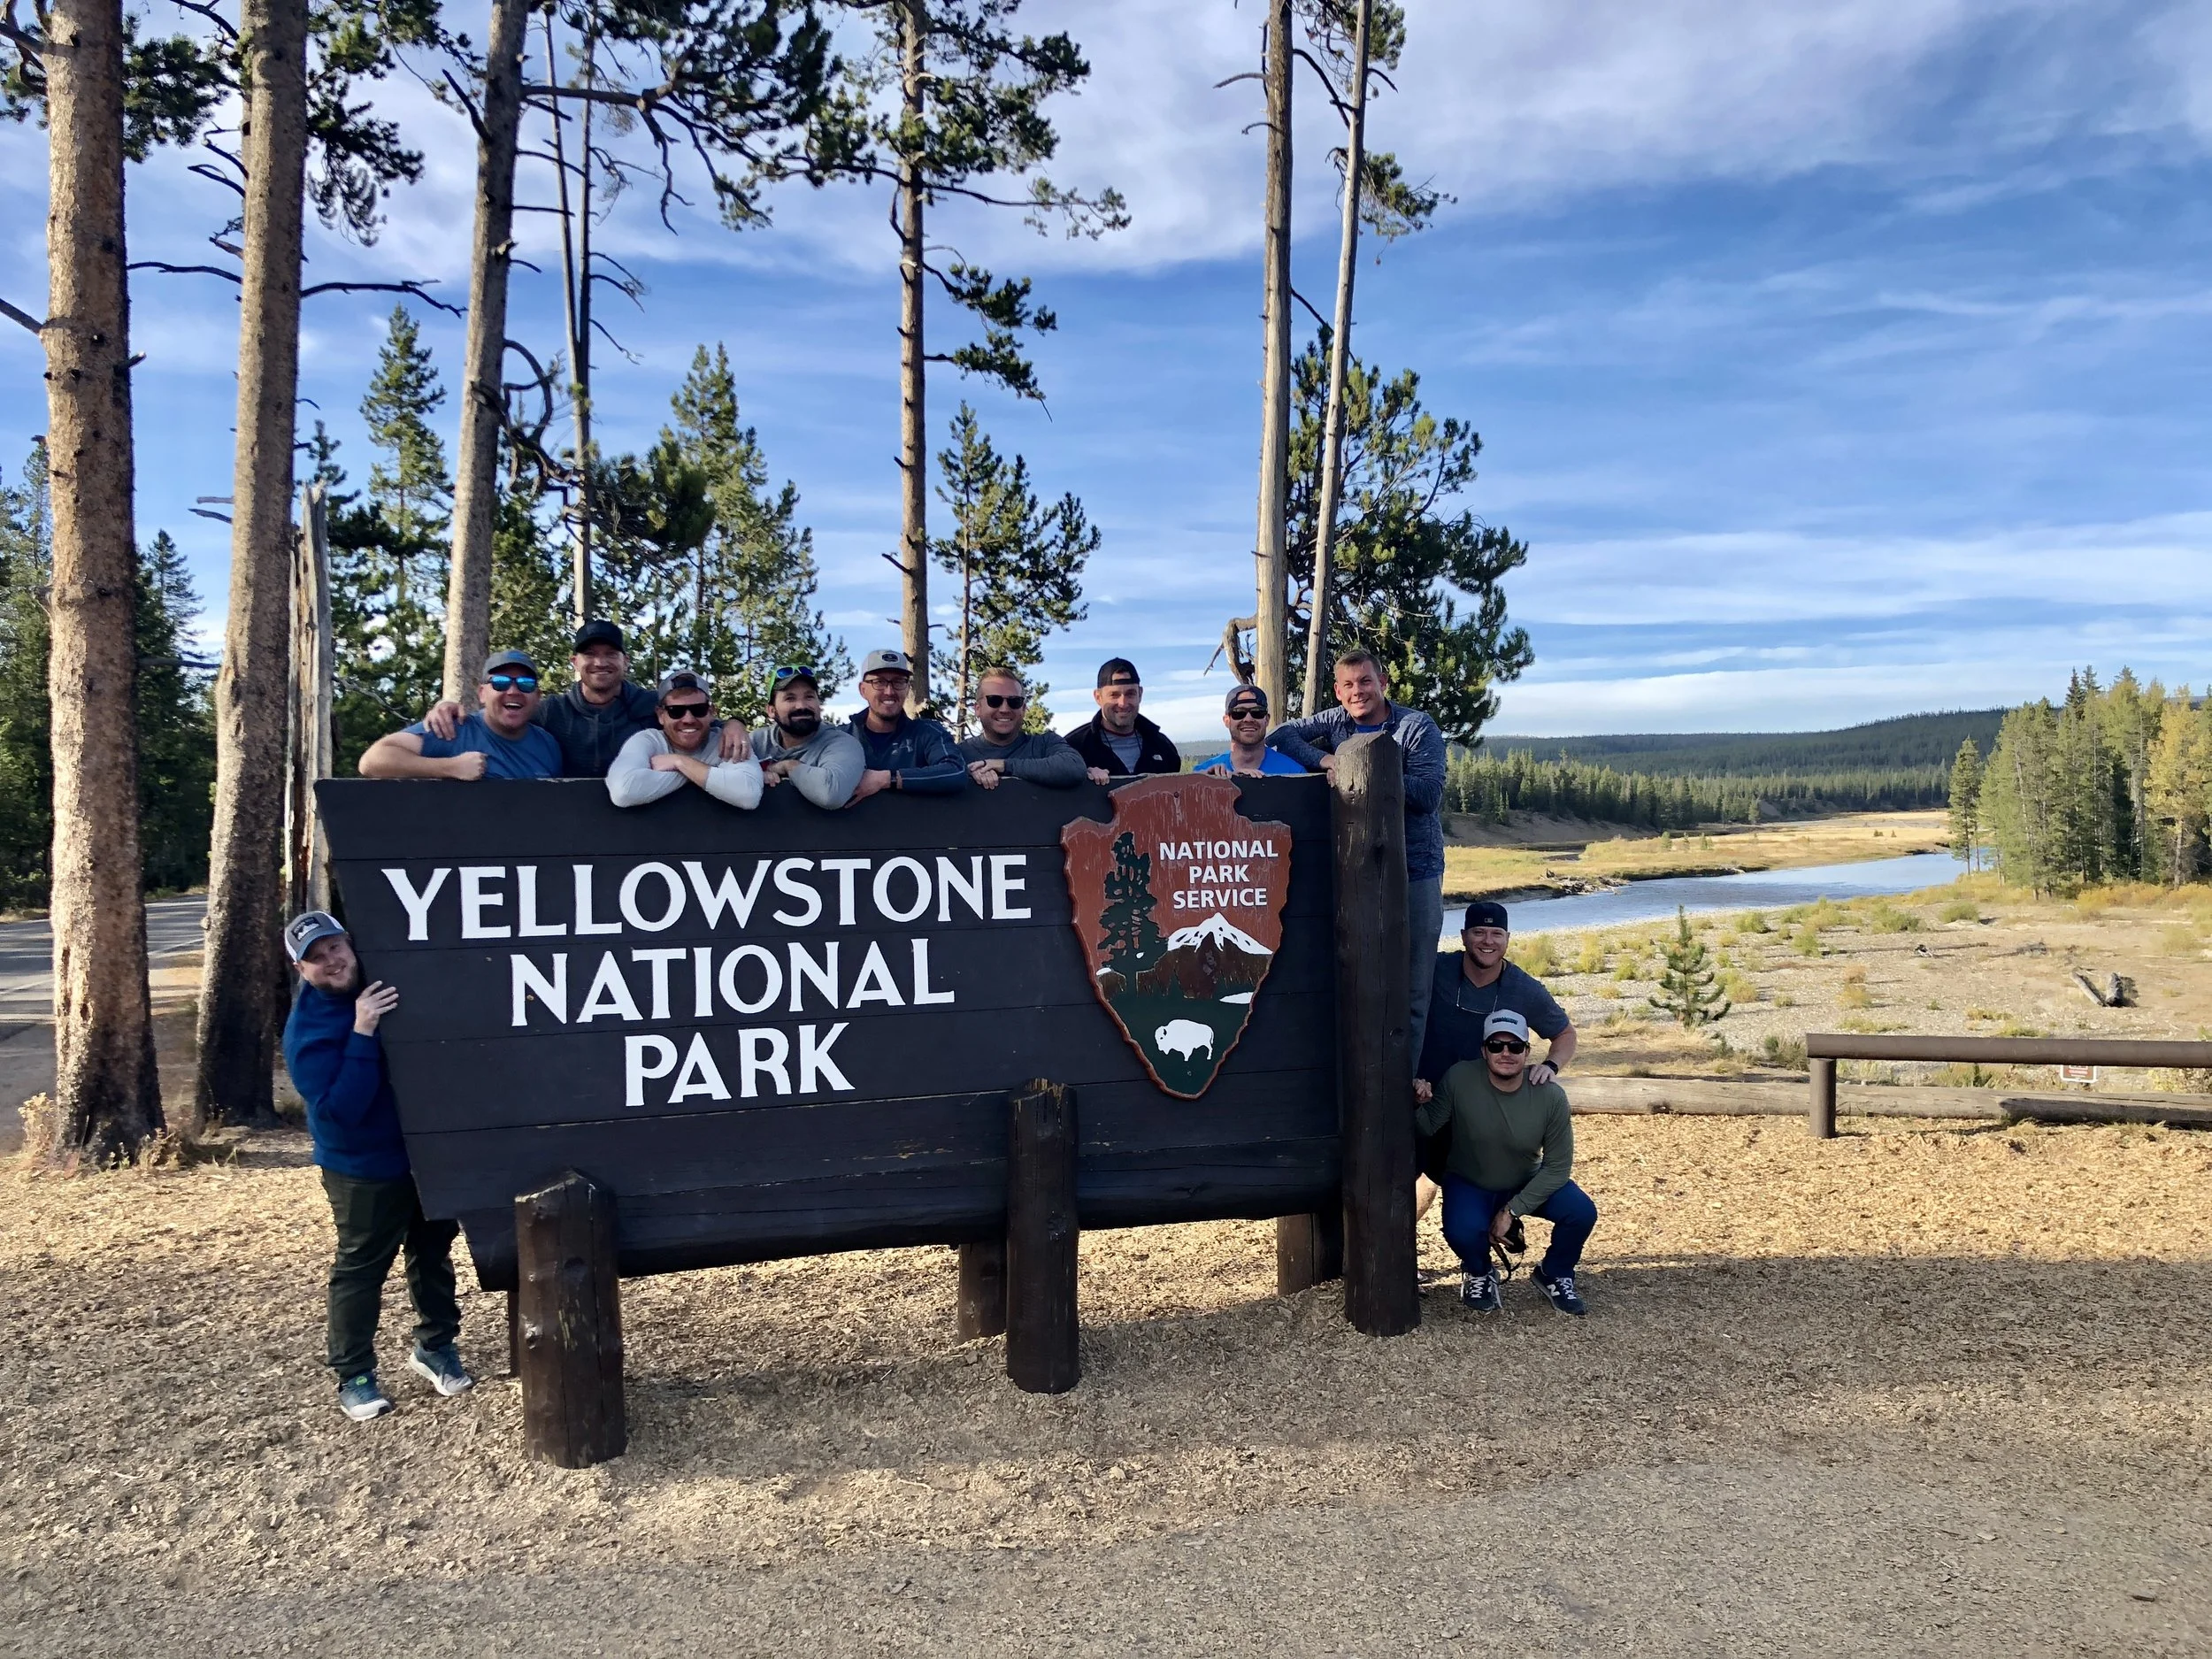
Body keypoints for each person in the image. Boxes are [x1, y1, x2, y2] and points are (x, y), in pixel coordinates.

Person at [280, 910, 475, 1420]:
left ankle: (435, 1347)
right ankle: (355, 1374)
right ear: (302, 970)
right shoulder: (309, 1033)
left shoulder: (389, 980)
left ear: (350, 942)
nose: (331, 961)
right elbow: (342, 1113)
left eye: (335, 948)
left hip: (425, 1156)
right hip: (362, 1166)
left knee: (432, 1252)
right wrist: (362, 1030)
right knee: (362, 1267)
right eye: (316, 959)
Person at [1268, 649, 1448, 1048]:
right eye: (1348, 685)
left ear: (1383, 683)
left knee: (1412, 990)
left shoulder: (1416, 728)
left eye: (1365, 681)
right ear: (1337, 691)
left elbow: (1427, 795)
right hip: (1352, 870)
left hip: (1415, 869)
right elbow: (1280, 737)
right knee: (1354, 981)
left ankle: (1408, 1088)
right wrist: (1330, 759)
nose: (1357, 692)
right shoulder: (1337, 722)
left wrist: (1367, 770)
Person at [1414, 1009, 1594, 1317]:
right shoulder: (1459, 1078)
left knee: (1581, 1212)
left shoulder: (1549, 1095)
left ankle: (1555, 1273)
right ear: (1484, 1050)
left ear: (1527, 1051)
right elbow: (1429, 1125)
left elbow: (1557, 1168)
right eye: (1496, 1046)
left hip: (1525, 1178)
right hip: (1469, 1179)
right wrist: (1417, 1102)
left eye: (1515, 1047)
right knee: (1461, 1230)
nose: (1506, 1053)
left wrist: (1513, 1210)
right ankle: (1480, 1272)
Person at [1415, 898, 1578, 1223]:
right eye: (1479, 932)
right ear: (1463, 937)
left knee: (1475, 1187)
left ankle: (1478, 1261)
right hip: (1426, 1099)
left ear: (1507, 939)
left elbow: (1565, 1035)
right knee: (1403, 1178)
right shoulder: (1433, 971)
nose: (1487, 941)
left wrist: (1550, 1066)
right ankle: (1395, 1260)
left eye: (1496, 933)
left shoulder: (1523, 988)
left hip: (1482, 1109)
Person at [418, 618, 747, 778]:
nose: (600, 662)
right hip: (572, 829)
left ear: (625, 662)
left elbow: (696, 720)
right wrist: (448, 707)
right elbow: (502, 712)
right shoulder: (550, 711)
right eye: (589, 654)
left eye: (610, 654)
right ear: (575, 663)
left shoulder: (649, 706)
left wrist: (734, 723)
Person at [357, 649, 564, 780]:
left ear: (537, 697)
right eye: (500, 683)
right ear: (482, 693)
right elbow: (373, 761)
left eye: (525, 684)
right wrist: (449, 767)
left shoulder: (548, 746)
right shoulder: (451, 728)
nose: (513, 691)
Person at [605, 669, 764, 810]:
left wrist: (680, 762)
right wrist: (710, 774)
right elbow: (623, 791)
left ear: (711, 712)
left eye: (698, 710)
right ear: (661, 715)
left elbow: (748, 794)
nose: (688, 719)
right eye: (676, 711)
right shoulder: (647, 741)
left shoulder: (728, 741)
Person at [845, 648, 969, 800]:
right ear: (863, 690)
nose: (889, 691)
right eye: (879, 682)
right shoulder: (842, 737)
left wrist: (887, 779)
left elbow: (955, 771)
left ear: (908, 688)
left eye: (898, 682)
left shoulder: (928, 733)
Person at [749, 664, 865, 808]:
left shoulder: (842, 744)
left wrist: (788, 766)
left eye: (809, 697)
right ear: (771, 710)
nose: (801, 706)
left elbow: (831, 794)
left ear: (819, 704)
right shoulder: (755, 742)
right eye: (790, 698)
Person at [957, 667, 1087, 788]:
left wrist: (1004, 766)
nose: (1004, 709)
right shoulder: (958, 754)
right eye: (994, 700)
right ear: (977, 709)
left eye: (1014, 702)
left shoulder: (1045, 744)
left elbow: (1074, 767)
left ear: (1024, 709)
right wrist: (967, 773)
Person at [1068, 657, 1180, 780]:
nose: (1123, 703)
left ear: (1140, 694)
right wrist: (1082, 775)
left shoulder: (1162, 746)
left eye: (1130, 694)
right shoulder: (1074, 749)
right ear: (1098, 697)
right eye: (1114, 695)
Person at [1195, 684, 1306, 776]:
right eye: (1239, 713)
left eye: (1257, 712)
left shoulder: (1294, 774)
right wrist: (1206, 783)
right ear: (1226, 720)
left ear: (1267, 720)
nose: (1248, 719)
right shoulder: (1204, 773)